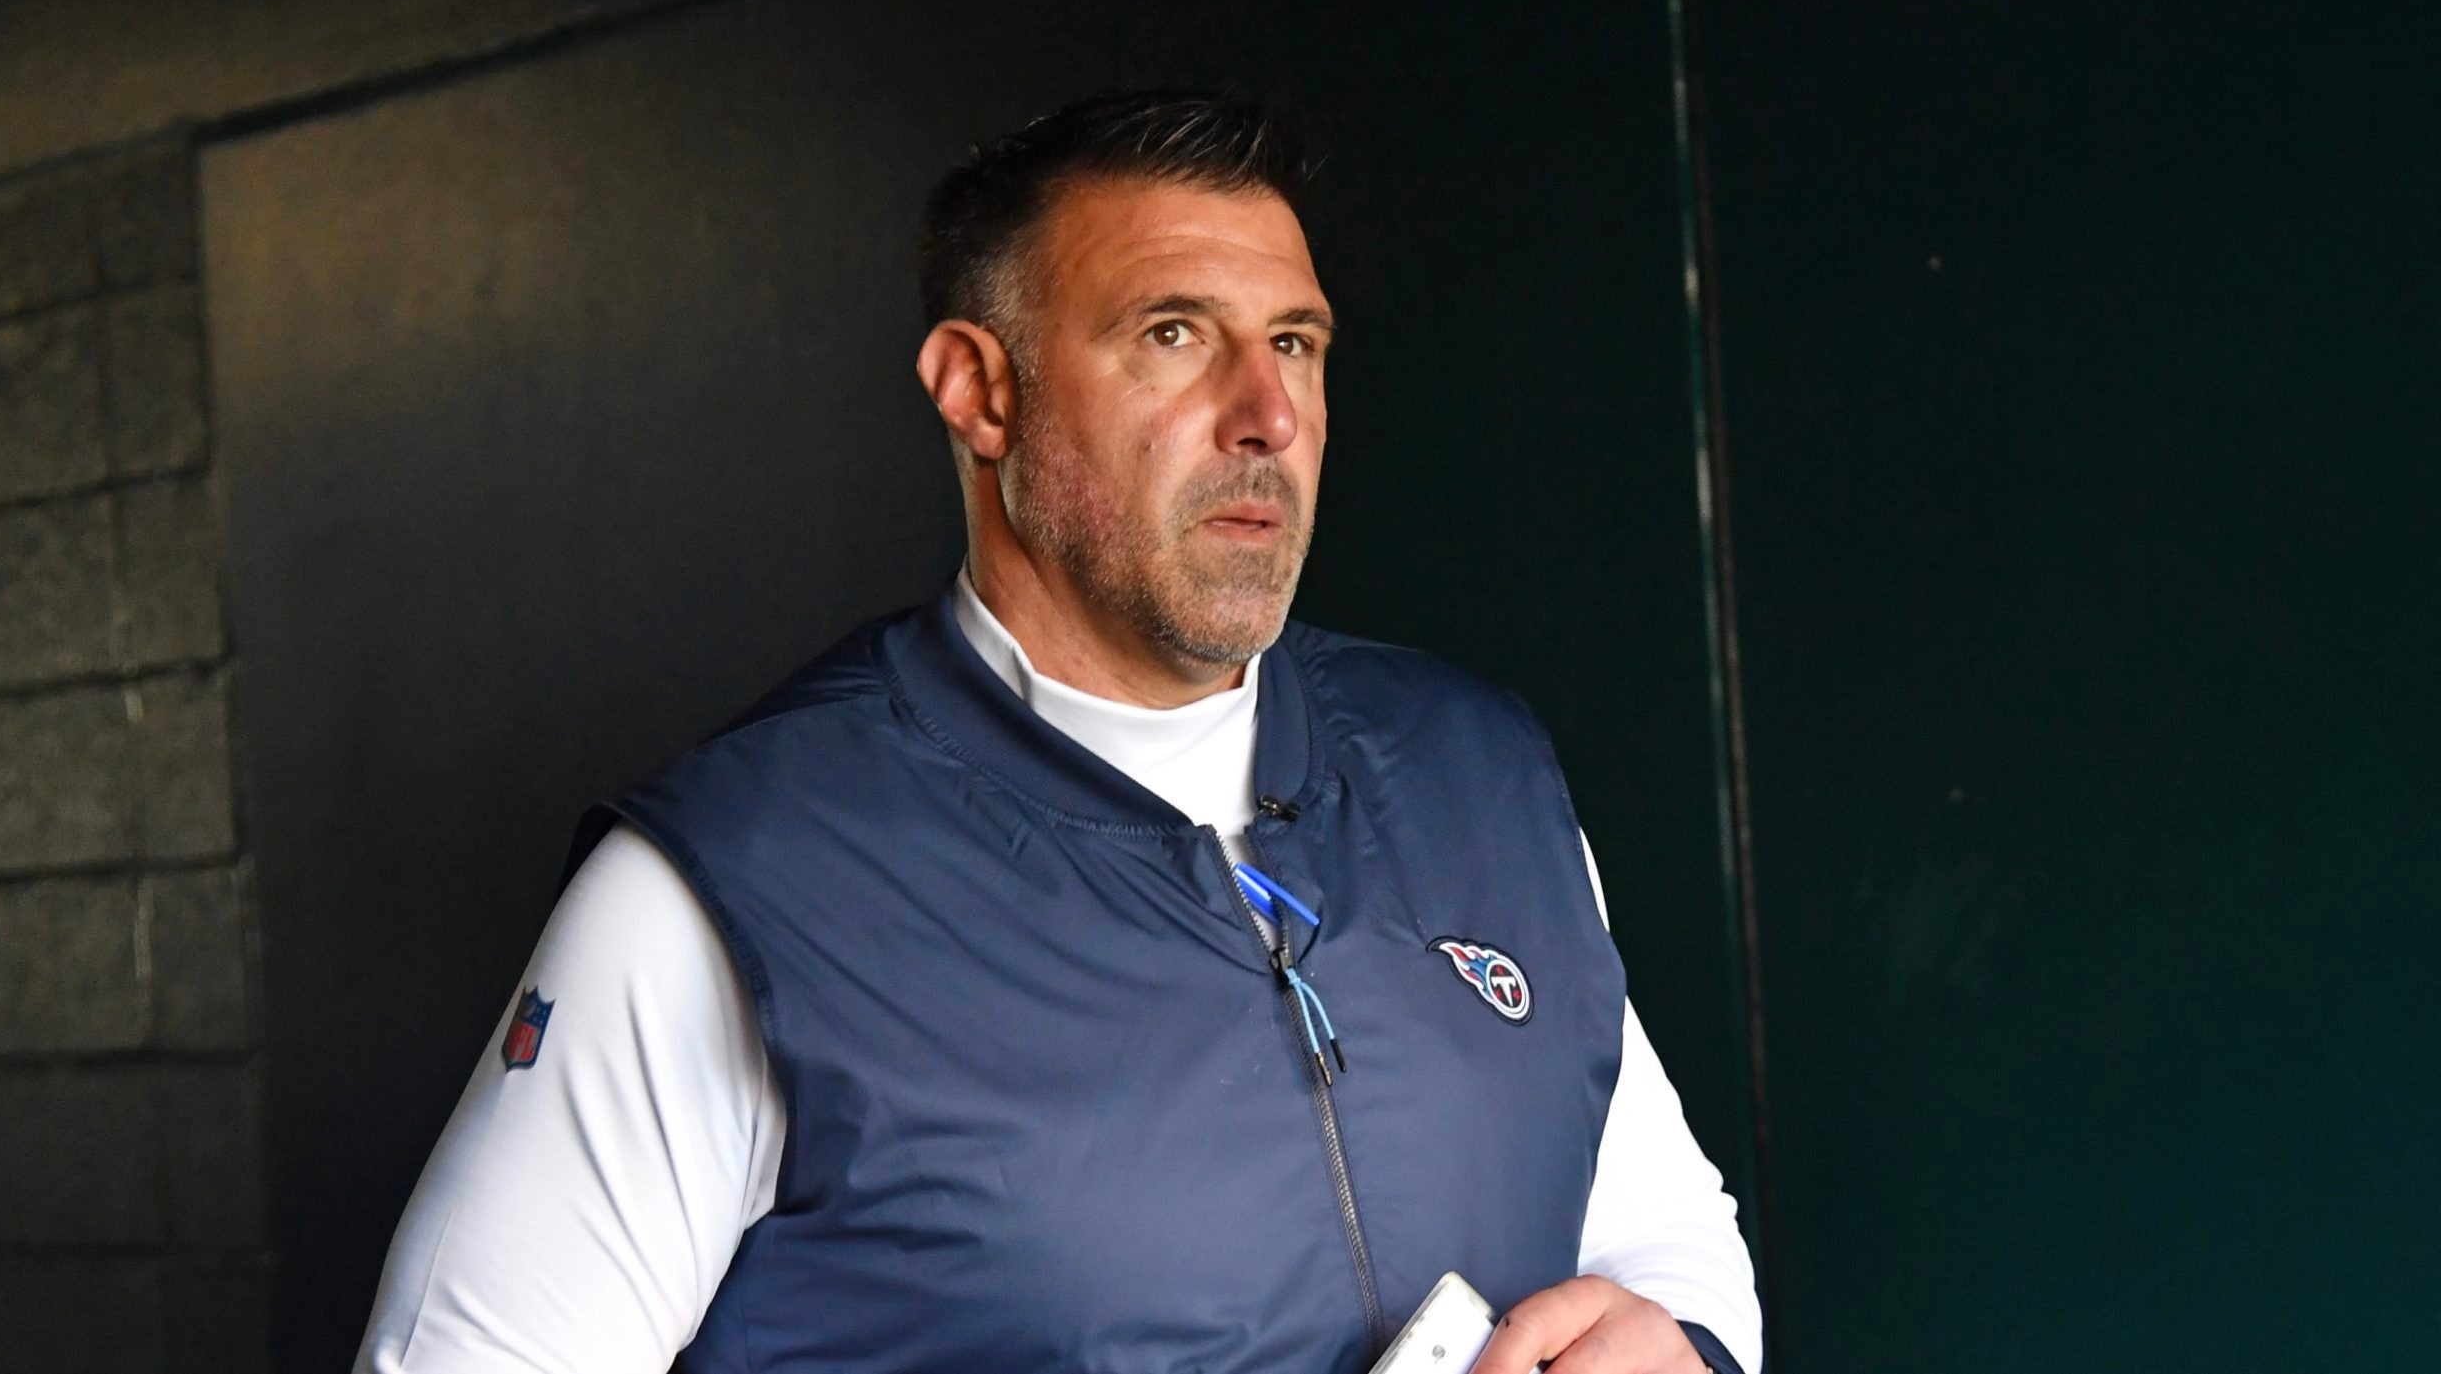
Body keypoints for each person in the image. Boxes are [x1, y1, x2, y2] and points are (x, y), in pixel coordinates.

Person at [357, 90, 1762, 1374]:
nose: (1268, 413)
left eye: (1295, 344)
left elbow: (1666, 1231)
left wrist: (1683, 1347)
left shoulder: (1481, 771)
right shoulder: (743, 885)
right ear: (983, 391)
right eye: (1173, 335)